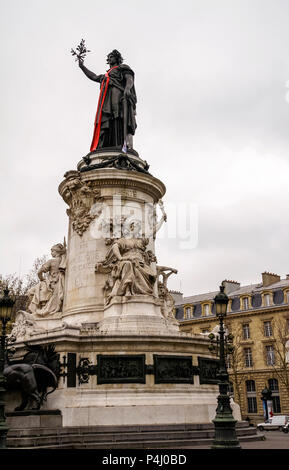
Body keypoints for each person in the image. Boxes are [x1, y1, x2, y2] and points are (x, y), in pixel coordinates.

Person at [78, 49, 137, 152]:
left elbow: (129, 78)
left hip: (118, 95)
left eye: (112, 56)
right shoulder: (106, 76)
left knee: (117, 116)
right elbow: (94, 76)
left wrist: (127, 88)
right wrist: (82, 67)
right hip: (106, 100)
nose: (110, 58)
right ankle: (107, 144)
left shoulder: (122, 68)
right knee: (108, 119)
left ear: (117, 58)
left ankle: (121, 144)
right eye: (109, 57)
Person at [27, 243, 66, 316]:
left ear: (56, 251)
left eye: (52, 251)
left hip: (51, 283)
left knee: (30, 292)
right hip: (59, 283)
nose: (51, 253)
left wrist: (42, 279)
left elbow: (39, 272)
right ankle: (42, 308)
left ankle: (39, 309)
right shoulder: (64, 260)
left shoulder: (51, 261)